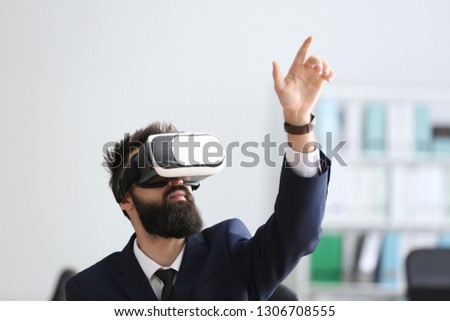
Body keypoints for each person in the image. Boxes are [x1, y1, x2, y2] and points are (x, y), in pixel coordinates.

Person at [65, 36, 335, 300]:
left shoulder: (230, 255)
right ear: (126, 199)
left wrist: (298, 121)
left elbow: (297, 233)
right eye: (155, 167)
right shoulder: (89, 291)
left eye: (179, 166)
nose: (176, 178)